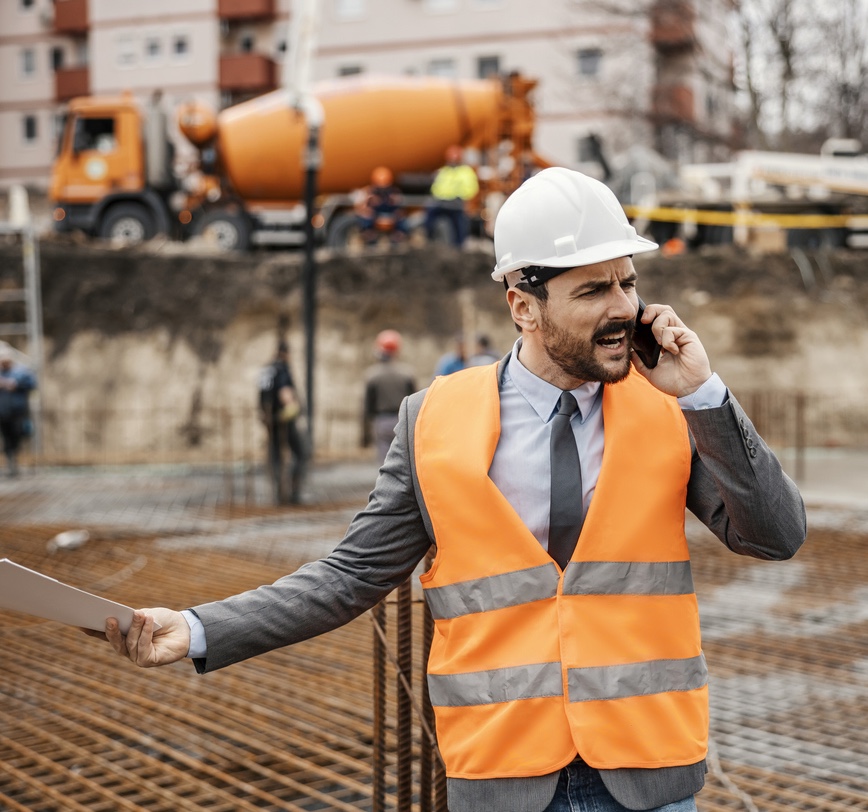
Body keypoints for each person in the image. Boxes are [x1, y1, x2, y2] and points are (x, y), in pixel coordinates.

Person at [93, 167, 806, 812]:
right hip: (503, 780)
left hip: (650, 777)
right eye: (593, 290)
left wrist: (705, 395)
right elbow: (350, 575)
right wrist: (198, 629)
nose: (624, 306)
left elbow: (775, 535)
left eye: (627, 281)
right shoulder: (431, 418)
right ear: (523, 306)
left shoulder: (669, 406)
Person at [257, 339, 307, 504]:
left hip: (268, 418)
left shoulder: (266, 369)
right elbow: (285, 392)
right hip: (283, 419)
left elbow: (262, 394)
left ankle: (278, 494)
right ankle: (293, 493)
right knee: (300, 453)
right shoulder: (282, 369)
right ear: (285, 353)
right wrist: (293, 408)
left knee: (275, 455)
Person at [362, 330, 417, 465]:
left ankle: (387, 484)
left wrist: (365, 435)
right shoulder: (407, 374)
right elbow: (414, 402)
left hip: (382, 421)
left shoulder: (372, 375)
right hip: (403, 420)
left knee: (386, 462)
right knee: (405, 460)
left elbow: (368, 407)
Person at [425, 145, 479, 248]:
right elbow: (435, 187)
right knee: (429, 216)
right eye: (450, 156)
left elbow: (472, 188)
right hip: (441, 202)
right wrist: (438, 198)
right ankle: (429, 241)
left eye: (454, 155)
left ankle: (459, 246)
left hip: (456, 203)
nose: (452, 158)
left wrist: (459, 196)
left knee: (459, 222)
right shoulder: (443, 171)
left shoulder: (466, 171)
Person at [0, 344, 36, 477]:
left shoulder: (21, 371)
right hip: (3, 412)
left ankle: (16, 457)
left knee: (18, 434)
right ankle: (11, 461)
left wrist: (16, 384)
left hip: (18, 410)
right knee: (6, 437)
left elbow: (32, 384)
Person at [355, 166, 408, 246]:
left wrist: (395, 206)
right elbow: (361, 208)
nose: (382, 189)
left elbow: (400, 208)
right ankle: (369, 236)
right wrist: (368, 207)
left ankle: (397, 237)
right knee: (365, 220)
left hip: (390, 215)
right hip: (376, 216)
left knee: (401, 221)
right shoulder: (370, 192)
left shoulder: (394, 192)